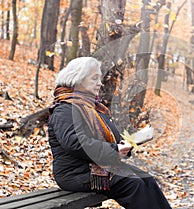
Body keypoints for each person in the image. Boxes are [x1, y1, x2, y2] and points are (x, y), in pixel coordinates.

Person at [48, 57, 172, 209]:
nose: (100, 83)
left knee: (147, 180)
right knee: (134, 184)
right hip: (75, 174)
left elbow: (111, 137)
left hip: (96, 167)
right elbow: (75, 143)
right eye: (94, 78)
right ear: (77, 79)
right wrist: (114, 150)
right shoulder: (64, 109)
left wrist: (124, 145)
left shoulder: (92, 107)